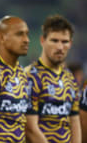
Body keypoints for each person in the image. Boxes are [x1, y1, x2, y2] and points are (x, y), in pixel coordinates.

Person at [25, 15, 81, 143]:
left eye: (64, 41)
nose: (60, 47)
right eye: (54, 40)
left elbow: (74, 120)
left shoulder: (69, 78)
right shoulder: (30, 76)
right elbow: (30, 128)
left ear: (70, 44)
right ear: (42, 41)